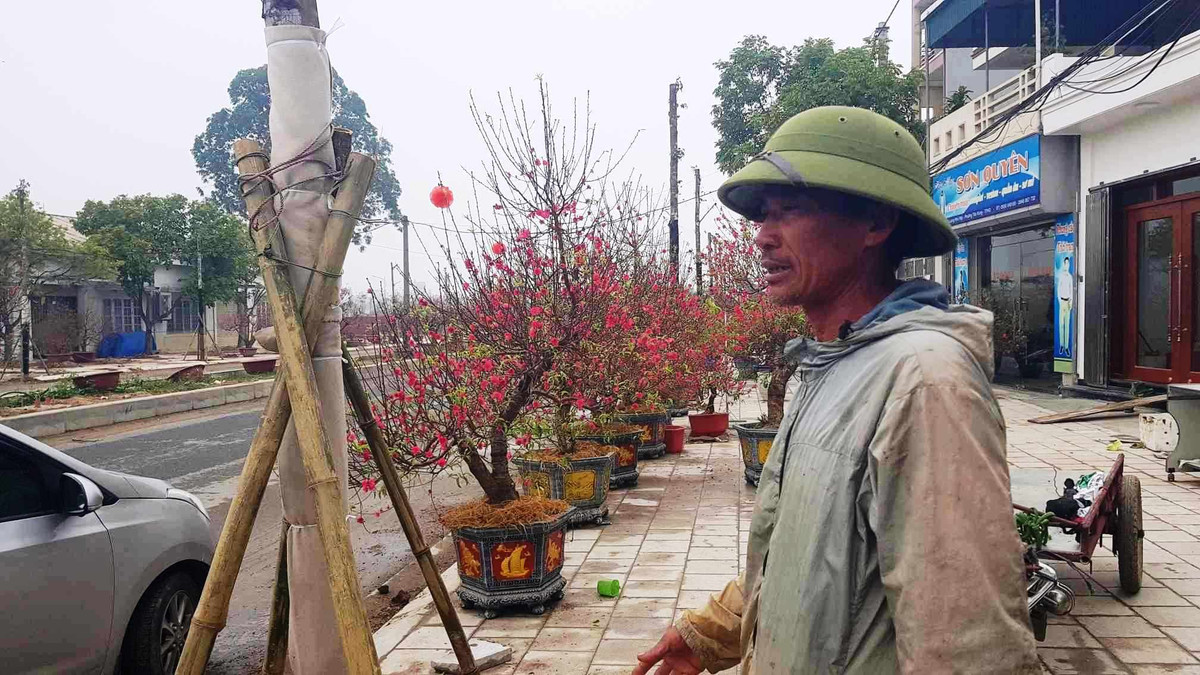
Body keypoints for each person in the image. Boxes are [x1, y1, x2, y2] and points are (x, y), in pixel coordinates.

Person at [633, 107, 1039, 675]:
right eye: (763, 214)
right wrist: (712, 631)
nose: (762, 236)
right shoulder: (833, 363)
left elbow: (967, 644)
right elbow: (810, 559)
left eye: (790, 210)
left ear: (875, 222)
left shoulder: (924, 382)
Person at [1057, 255, 1073, 357]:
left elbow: (1071, 290)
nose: (1066, 265)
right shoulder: (1061, 276)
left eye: (1068, 263)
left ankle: (1066, 347)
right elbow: (1059, 289)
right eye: (1065, 263)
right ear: (1063, 264)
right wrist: (1060, 301)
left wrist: (1071, 301)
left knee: (1067, 325)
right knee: (1061, 324)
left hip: (1068, 302)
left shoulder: (1070, 277)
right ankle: (1061, 345)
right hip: (1062, 302)